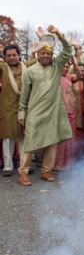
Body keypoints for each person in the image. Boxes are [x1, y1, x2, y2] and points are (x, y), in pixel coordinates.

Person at [17, 25, 73, 186]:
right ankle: (23, 172)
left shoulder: (56, 66)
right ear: (38, 55)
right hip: (34, 112)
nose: (46, 56)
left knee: (52, 141)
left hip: (54, 111)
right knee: (30, 141)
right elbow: (24, 94)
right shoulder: (30, 71)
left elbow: (67, 49)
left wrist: (58, 33)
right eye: (43, 53)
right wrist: (22, 113)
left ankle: (46, 171)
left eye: (49, 53)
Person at [0, 43, 37, 176]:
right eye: (8, 55)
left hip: (24, 107)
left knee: (24, 136)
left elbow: (37, 60)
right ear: (4, 57)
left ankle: (24, 164)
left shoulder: (25, 66)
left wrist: (35, 49)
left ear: (19, 56)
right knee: (7, 138)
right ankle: (8, 167)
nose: (11, 58)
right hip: (7, 108)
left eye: (14, 55)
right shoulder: (2, 68)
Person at [53, 55, 83, 171]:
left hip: (71, 110)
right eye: (63, 66)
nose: (65, 69)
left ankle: (68, 163)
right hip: (59, 112)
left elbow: (80, 76)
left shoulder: (70, 77)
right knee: (60, 139)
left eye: (67, 67)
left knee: (70, 138)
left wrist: (74, 64)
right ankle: (58, 164)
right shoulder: (55, 77)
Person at [73, 63, 84, 159]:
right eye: (79, 70)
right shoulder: (72, 81)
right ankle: (74, 153)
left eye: (83, 70)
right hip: (74, 109)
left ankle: (83, 152)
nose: (81, 72)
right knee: (76, 130)